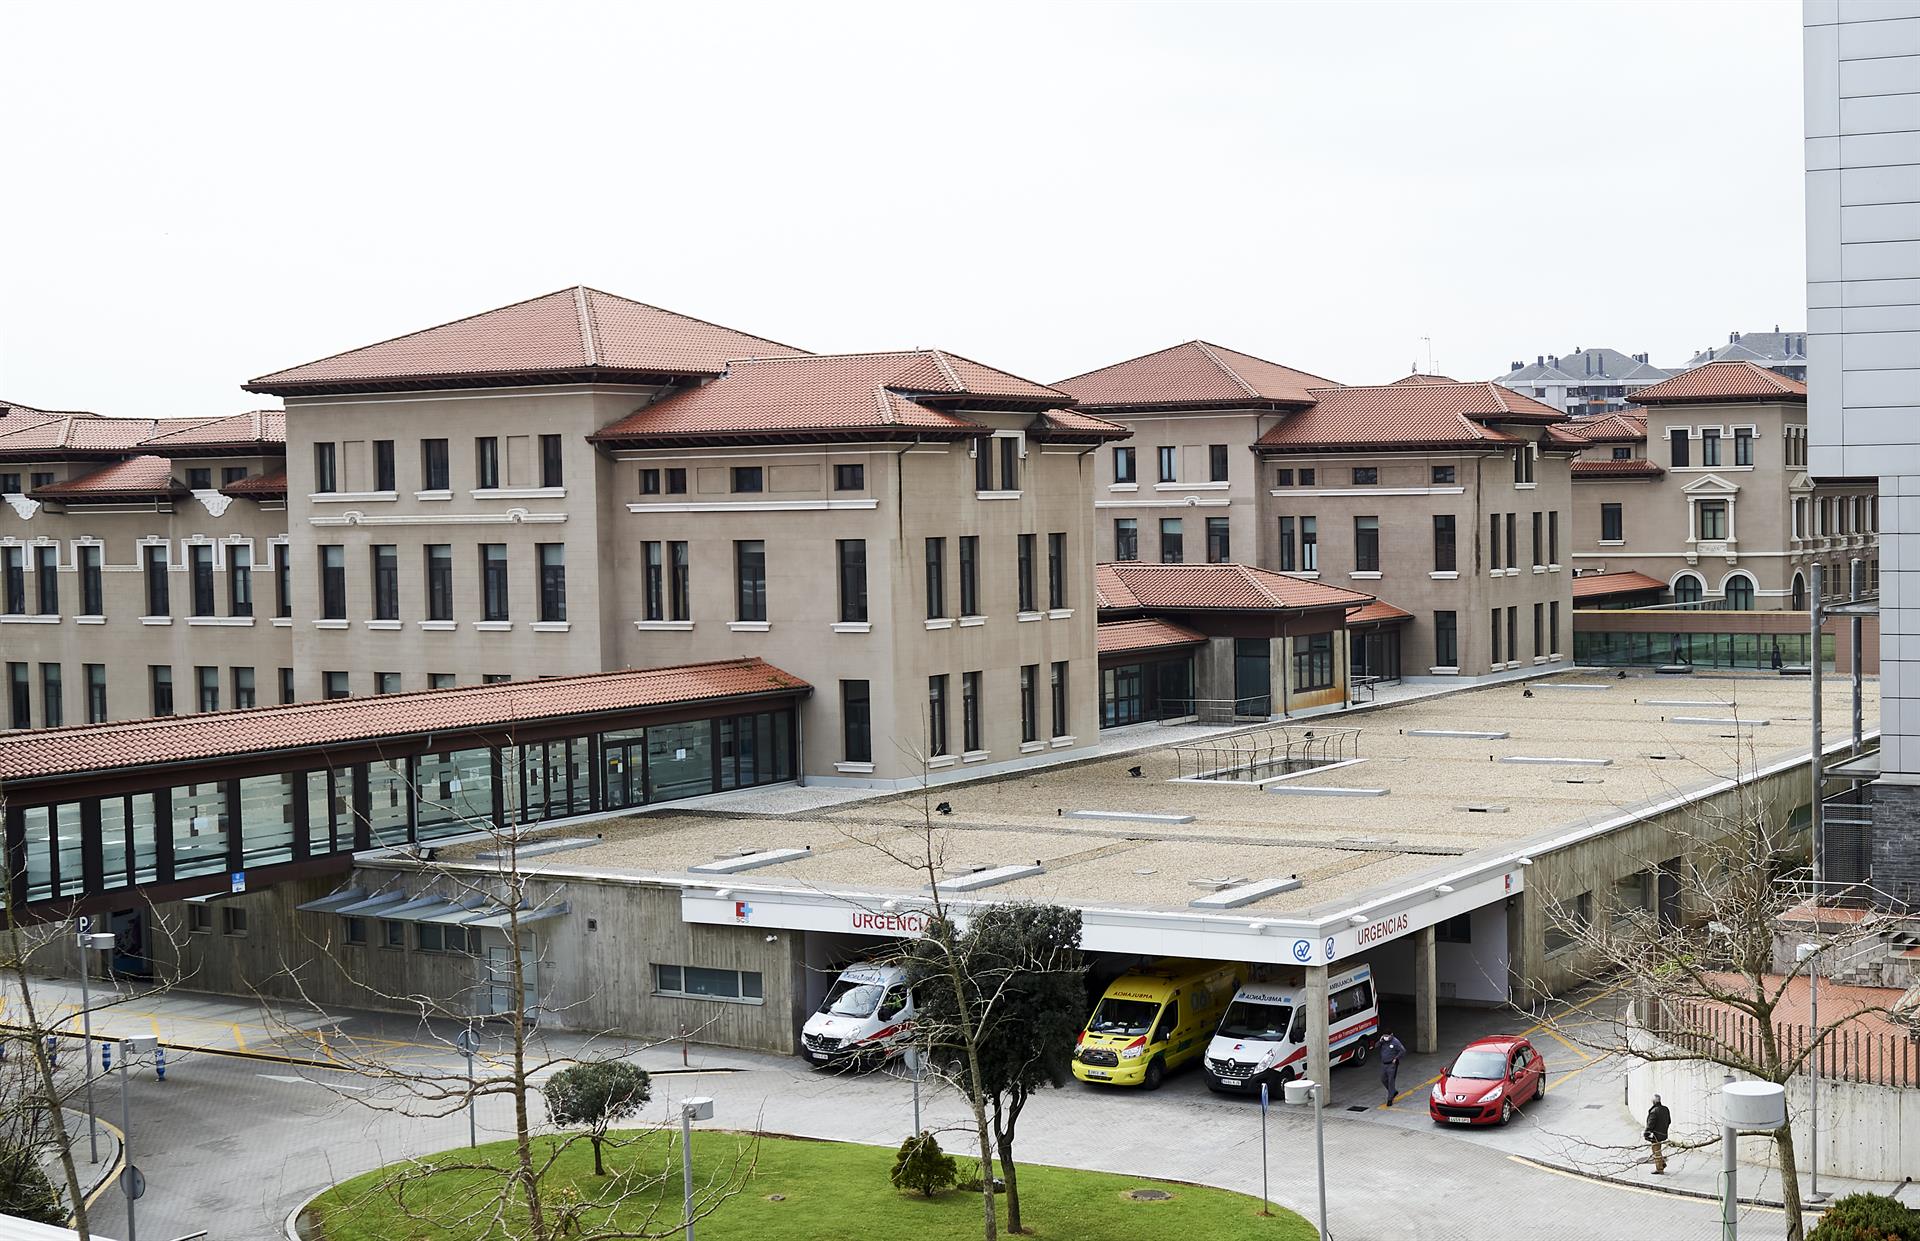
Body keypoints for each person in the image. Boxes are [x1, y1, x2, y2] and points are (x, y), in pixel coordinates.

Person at [1377, 1029, 1406, 1105]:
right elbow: (1376, 1046)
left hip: (1391, 1065)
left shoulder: (1395, 1042)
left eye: (1387, 1036)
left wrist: (1396, 1058)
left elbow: (1402, 1050)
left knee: (1391, 1081)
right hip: (1384, 1064)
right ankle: (1393, 1091)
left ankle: (1390, 1099)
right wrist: (1380, 1040)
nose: (1386, 1037)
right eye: (1384, 1036)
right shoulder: (1383, 1041)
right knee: (1383, 1079)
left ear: (1391, 1035)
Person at [1644, 1094, 1671, 1174]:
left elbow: (1650, 1125)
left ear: (1653, 1102)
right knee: (1658, 1150)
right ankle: (1662, 1163)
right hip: (1663, 1133)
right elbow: (1669, 1121)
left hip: (1655, 1135)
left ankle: (1660, 1168)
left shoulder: (1653, 1112)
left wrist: (1646, 1133)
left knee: (1656, 1151)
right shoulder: (1666, 1109)